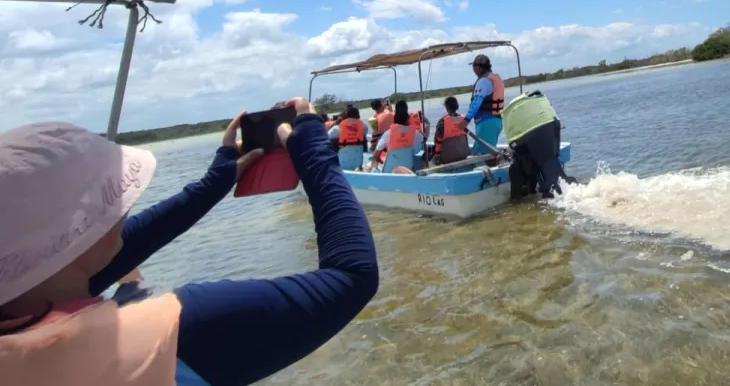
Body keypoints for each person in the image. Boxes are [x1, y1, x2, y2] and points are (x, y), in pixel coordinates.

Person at [0, 99, 378, 385]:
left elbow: (103, 252)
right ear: (79, 233)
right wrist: (312, 147)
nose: (124, 208)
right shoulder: (166, 330)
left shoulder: (20, 313)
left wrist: (215, 183)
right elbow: (352, 276)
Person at [464, 54, 505, 155]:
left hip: (486, 122)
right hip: (497, 121)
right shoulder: (494, 78)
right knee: (489, 151)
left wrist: (466, 120)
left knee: (480, 154)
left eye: (473, 66)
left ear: (478, 67)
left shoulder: (483, 81)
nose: (473, 69)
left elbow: (476, 102)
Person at [382, 100, 422, 173]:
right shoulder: (415, 133)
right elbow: (421, 142)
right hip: (407, 169)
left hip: (390, 171)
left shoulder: (388, 134)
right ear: (407, 118)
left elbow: (376, 154)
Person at [433, 96, 470, 166]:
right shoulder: (464, 119)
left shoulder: (442, 121)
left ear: (447, 107)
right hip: (463, 154)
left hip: (448, 157)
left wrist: (436, 156)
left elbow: (437, 141)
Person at [337, 104, 367, 171]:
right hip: (358, 149)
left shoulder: (341, 124)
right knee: (364, 138)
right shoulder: (361, 123)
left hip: (343, 148)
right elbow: (365, 132)